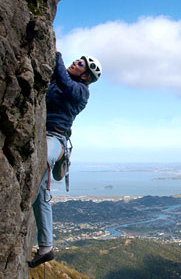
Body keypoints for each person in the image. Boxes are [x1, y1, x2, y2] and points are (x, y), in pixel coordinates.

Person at [28, 51, 102, 268]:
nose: (74, 62)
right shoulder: (59, 82)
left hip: (55, 138)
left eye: (80, 63)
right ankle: (46, 247)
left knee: (39, 160)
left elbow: (63, 80)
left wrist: (55, 55)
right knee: (42, 196)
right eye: (76, 60)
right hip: (42, 132)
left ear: (86, 76)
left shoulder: (80, 92)